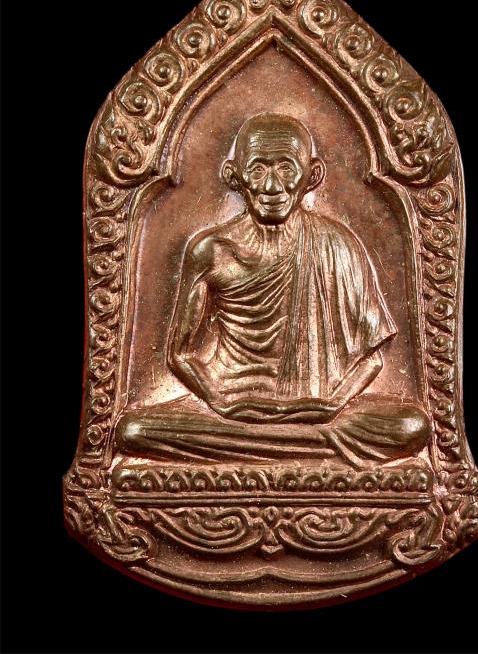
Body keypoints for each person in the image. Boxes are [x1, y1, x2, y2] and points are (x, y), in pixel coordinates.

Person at [116, 113, 429, 468]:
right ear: (234, 176)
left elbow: (371, 357)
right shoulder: (211, 250)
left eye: (286, 168)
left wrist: (334, 404)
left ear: (312, 176)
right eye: (258, 169)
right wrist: (218, 401)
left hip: (319, 409)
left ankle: (267, 448)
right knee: (132, 430)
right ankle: (306, 449)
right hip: (230, 406)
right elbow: (181, 354)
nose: (271, 186)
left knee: (411, 426)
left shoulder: (338, 245)